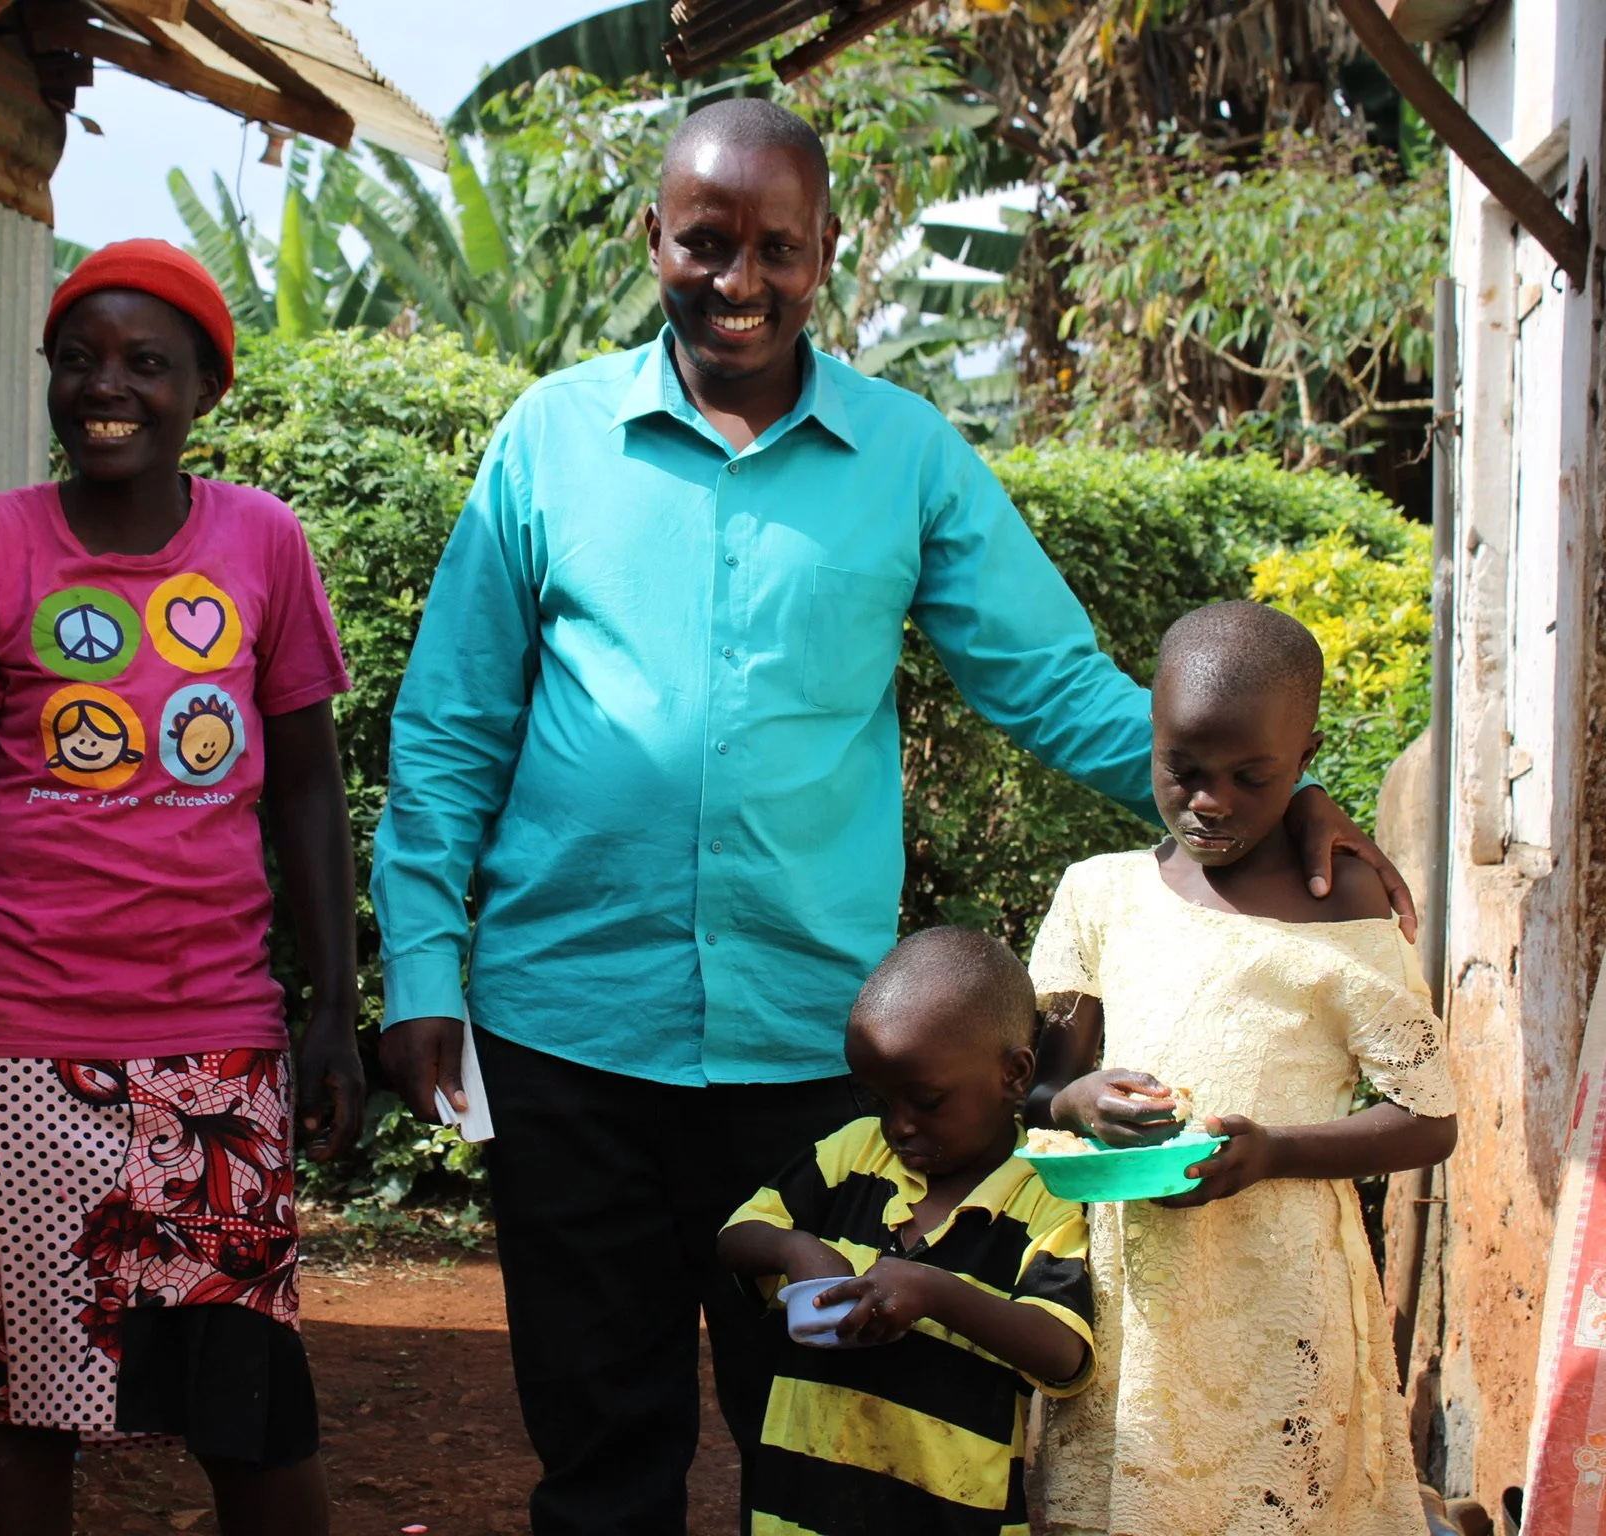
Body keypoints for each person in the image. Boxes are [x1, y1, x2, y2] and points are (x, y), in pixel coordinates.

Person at [370, 96, 1415, 1534]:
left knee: (836, 1442)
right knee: (599, 1447)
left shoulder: (907, 456)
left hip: (814, 1059)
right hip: (568, 1041)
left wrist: (1252, 799)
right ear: (651, 238)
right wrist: (425, 965)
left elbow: (1048, 681)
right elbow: (450, 725)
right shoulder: (549, 445)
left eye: (777, 249)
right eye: (705, 243)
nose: (739, 281)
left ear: (827, 254)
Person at [0, 240, 365, 1536]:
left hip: (216, 1057)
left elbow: (304, 793)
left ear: (204, 388)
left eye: (143, 362)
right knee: (19, 1416)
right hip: (11, 1057)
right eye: (78, 361)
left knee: (252, 1409)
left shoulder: (265, 546)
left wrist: (336, 1007)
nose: (104, 388)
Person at [1027, 601, 1458, 1535]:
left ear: (1304, 764)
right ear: (1150, 738)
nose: (1209, 801)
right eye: (1181, 770)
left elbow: (1428, 1118)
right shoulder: (1100, 897)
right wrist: (1076, 1098)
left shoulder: (1341, 909)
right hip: (1132, 1296)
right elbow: (1029, 1087)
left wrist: (1273, 1152)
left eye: (1250, 776)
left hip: (1282, 1297)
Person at [718, 927, 1092, 1536]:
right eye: (881, 1101)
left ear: (1015, 1074)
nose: (899, 1126)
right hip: (801, 1508)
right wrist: (796, 1247)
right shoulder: (851, 1157)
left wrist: (934, 1293)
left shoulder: (1043, 1196)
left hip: (954, 1512)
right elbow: (736, 1236)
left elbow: (1062, 1350)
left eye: (926, 1101)